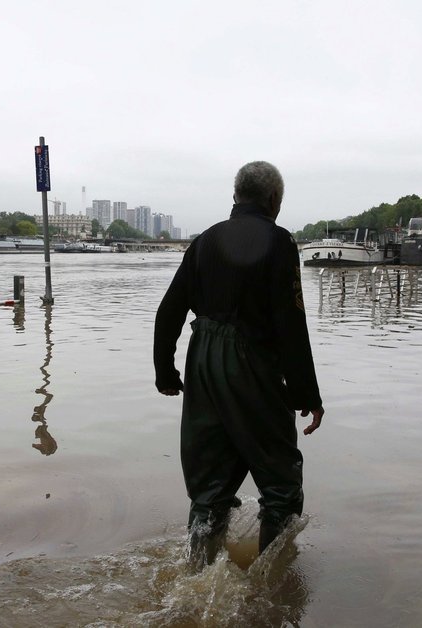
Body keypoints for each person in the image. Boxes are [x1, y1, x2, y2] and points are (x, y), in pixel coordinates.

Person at [153, 160, 324, 568]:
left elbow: (169, 311)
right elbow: (290, 323)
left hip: (202, 361)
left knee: (209, 488)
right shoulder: (279, 242)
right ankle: (272, 588)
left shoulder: (204, 242)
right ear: (273, 199)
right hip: (250, 364)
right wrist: (306, 394)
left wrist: (166, 372)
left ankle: (195, 578)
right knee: (281, 484)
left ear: (235, 197)